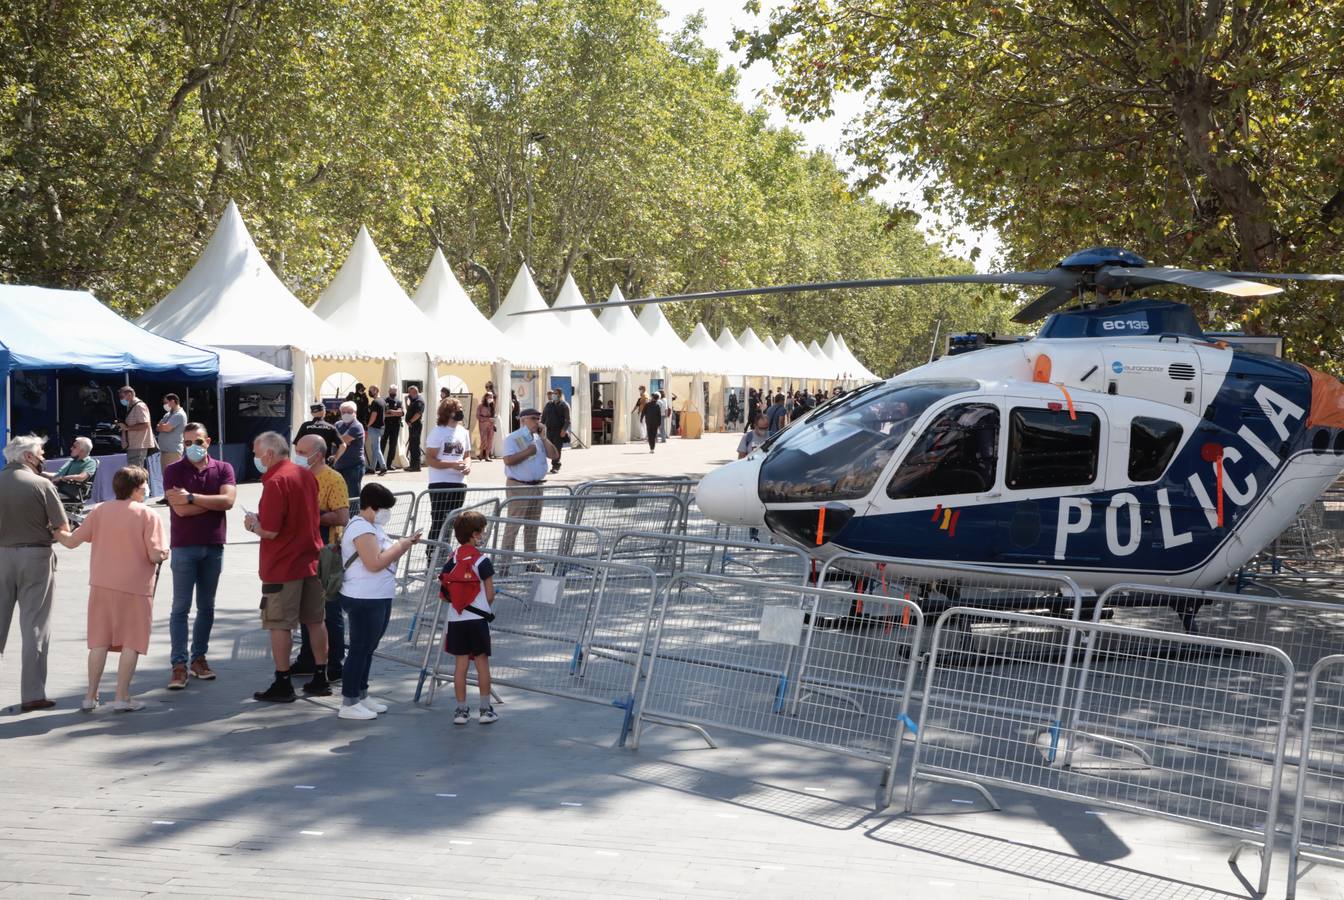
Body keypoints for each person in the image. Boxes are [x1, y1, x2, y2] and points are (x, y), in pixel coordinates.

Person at [55, 466, 168, 711]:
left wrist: (56, 529)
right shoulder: (149, 516)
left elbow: (72, 541)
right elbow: (155, 554)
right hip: (136, 586)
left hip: (102, 584)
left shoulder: (100, 510)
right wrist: (164, 553)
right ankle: (121, 696)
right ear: (138, 488)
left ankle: (90, 695)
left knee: (99, 641)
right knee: (132, 642)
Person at [243, 432, 330, 703]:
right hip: (310, 559)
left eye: (257, 455)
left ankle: (283, 682)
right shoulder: (304, 475)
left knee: (279, 624)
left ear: (268, 454)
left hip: (283, 565)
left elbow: (270, 530)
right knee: (315, 620)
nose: (256, 459)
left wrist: (253, 524)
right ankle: (321, 676)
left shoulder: (277, 481)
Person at [336, 483, 421, 720]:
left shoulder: (372, 526)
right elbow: (374, 563)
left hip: (378, 595)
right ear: (372, 507)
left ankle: (361, 695)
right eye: (384, 508)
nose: (387, 513)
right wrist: (401, 545)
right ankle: (349, 701)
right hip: (363, 596)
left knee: (368, 648)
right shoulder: (361, 528)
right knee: (359, 648)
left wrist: (402, 544)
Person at [162, 422, 236, 690]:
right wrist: (211, 502)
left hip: (214, 546)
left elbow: (228, 502)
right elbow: (180, 510)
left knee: (207, 607)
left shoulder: (224, 468)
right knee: (180, 607)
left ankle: (199, 658)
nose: (195, 447)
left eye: (199, 441)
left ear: (209, 441)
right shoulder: (173, 470)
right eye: (189, 442)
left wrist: (192, 497)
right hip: (184, 547)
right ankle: (178, 664)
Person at [0, 435, 67, 711]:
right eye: (40, 452)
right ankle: (32, 694)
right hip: (36, 557)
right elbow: (61, 526)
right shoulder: (41, 484)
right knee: (35, 626)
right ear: (27, 457)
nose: (43, 457)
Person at [290, 434, 350, 680]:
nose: (298, 456)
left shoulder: (333, 479)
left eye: (303, 452)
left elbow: (342, 517)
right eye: (297, 450)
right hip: (300, 549)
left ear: (318, 454)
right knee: (306, 608)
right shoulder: (295, 478)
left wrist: (311, 515)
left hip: (327, 551)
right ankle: (308, 658)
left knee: (329, 608)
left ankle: (335, 662)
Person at [440, 510, 497, 725]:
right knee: (482, 664)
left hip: (456, 619)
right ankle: (485, 710)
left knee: (460, 665)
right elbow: (489, 594)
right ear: (475, 535)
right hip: (478, 620)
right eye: (481, 531)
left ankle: (461, 711)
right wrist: (482, 605)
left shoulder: (451, 560)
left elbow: (445, 594)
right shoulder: (482, 561)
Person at [500, 408, 557, 555]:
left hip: (537, 486)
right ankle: (505, 562)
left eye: (539, 418)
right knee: (514, 524)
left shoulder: (538, 438)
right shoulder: (512, 438)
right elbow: (508, 460)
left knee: (533, 525)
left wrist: (544, 439)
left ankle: (530, 559)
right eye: (533, 418)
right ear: (523, 420)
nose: (537, 422)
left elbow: (554, 455)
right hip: (519, 486)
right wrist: (527, 452)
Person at [426, 398, 471, 542]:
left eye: (461, 408)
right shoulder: (438, 432)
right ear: (447, 412)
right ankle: (432, 553)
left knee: (453, 522)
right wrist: (451, 465)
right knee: (439, 521)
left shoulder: (463, 432)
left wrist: (467, 465)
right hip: (440, 483)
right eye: (456, 409)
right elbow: (430, 459)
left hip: (459, 483)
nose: (460, 411)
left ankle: (446, 553)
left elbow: (467, 455)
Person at [44, 436, 98, 505]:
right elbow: (57, 475)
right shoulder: (71, 460)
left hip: (70, 494)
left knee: (40, 496)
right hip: (59, 490)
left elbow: (82, 477)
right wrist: (39, 473)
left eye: (74, 447)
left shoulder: (91, 462)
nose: (71, 448)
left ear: (82, 450)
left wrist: (63, 478)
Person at [332, 400, 365, 499]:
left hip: (353, 466)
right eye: (343, 412)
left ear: (355, 413)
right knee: (339, 494)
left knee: (353, 496)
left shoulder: (357, 427)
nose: (346, 414)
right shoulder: (338, 424)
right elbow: (336, 441)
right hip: (338, 465)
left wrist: (338, 441)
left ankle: (354, 514)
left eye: (349, 412)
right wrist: (339, 441)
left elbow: (340, 442)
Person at [117, 386, 154, 469]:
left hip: (138, 446)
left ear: (129, 394)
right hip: (133, 445)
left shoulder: (139, 406)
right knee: (134, 471)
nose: (121, 399)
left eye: (122, 397)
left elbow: (145, 424)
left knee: (136, 473)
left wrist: (127, 428)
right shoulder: (132, 406)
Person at [541, 388, 570, 474]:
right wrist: (540, 429)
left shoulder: (564, 405)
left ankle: (556, 465)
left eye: (556, 393)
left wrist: (564, 430)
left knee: (557, 449)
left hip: (558, 431)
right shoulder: (549, 405)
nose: (553, 395)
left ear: (560, 395)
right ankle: (542, 466)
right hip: (548, 430)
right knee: (547, 449)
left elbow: (568, 420)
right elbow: (543, 418)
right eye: (553, 393)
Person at [155, 393, 188, 468]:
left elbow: (166, 428)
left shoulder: (179, 414)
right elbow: (157, 428)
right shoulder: (167, 414)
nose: (164, 405)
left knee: (173, 477)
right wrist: (161, 426)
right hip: (164, 451)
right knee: (166, 476)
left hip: (173, 451)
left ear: (172, 402)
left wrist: (162, 426)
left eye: (166, 402)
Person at [366, 385, 387, 476]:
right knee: (374, 447)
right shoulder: (383, 401)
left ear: (376, 390)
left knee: (376, 448)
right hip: (381, 427)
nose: (369, 392)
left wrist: (368, 425)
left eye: (371, 390)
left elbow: (373, 416)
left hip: (374, 428)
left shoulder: (375, 402)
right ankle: (372, 468)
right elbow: (384, 414)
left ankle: (383, 466)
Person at [381, 384, 403, 470]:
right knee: (382, 444)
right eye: (392, 391)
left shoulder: (399, 402)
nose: (393, 392)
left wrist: (391, 411)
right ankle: (380, 464)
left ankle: (389, 464)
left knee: (393, 445)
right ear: (389, 391)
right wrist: (395, 413)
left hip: (395, 426)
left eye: (395, 391)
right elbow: (383, 414)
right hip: (385, 425)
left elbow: (401, 413)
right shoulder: (384, 401)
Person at [404, 385, 425, 472]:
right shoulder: (414, 400)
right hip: (412, 425)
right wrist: (406, 401)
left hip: (415, 425)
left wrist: (410, 421)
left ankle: (416, 466)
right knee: (412, 445)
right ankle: (412, 465)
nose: (409, 394)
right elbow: (409, 410)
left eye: (410, 392)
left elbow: (418, 414)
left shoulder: (419, 401)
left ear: (414, 392)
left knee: (415, 446)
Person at [476, 389, 496, 462]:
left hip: (491, 426)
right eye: (490, 396)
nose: (491, 398)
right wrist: (487, 419)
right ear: (485, 397)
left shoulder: (492, 406)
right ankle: (481, 454)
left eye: (492, 397)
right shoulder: (480, 406)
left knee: (490, 440)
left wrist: (493, 421)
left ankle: (487, 456)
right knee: (484, 440)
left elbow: (493, 416)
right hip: (483, 425)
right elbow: (477, 416)